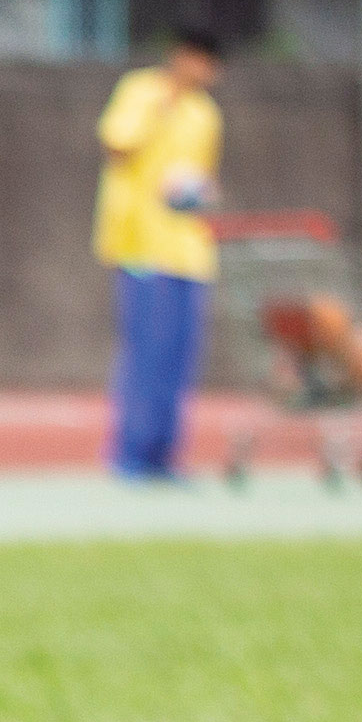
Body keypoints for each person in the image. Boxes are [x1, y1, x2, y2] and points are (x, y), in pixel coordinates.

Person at [89, 28, 223, 482]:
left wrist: (198, 193)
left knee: (178, 359)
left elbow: (200, 175)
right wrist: (161, 107)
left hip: (189, 249)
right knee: (145, 352)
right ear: (182, 56)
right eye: (201, 60)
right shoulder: (140, 90)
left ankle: (165, 456)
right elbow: (117, 146)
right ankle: (130, 454)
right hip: (140, 245)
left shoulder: (206, 112)